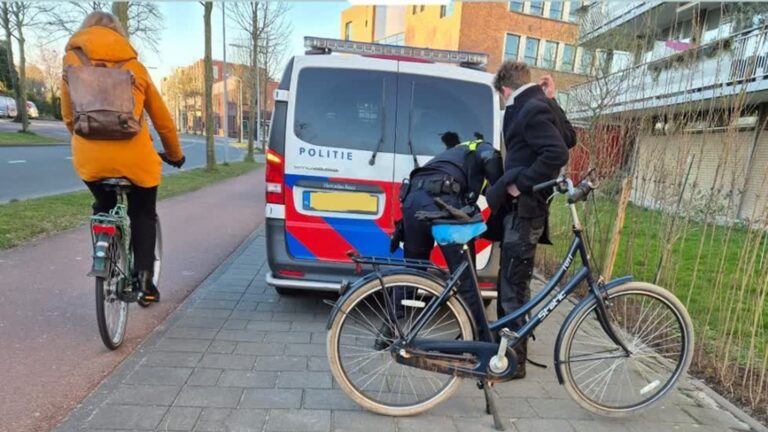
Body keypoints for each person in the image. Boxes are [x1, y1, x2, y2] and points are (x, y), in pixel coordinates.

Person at [61, 11, 185, 302]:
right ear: (119, 36)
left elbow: (68, 116)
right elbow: (163, 120)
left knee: (103, 203)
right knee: (142, 212)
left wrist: (86, 140)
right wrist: (174, 154)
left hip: (90, 159)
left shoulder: (71, 63)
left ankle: (104, 246)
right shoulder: (135, 67)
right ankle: (145, 282)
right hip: (136, 159)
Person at [377, 131, 503, 348]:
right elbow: (490, 158)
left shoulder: (451, 156)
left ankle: (387, 331)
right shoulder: (480, 146)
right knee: (465, 275)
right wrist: (500, 183)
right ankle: (482, 343)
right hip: (440, 201)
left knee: (413, 271)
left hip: (412, 202)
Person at [485, 61, 570, 379]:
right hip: (523, 212)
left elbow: (558, 152)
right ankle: (504, 348)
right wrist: (552, 100)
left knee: (513, 287)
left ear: (505, 90)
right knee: (512, 281)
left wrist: (521, 184)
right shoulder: (538, 105)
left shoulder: (525, 108)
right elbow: (568, 139)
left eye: (501, 98)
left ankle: (513, 362)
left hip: (525, 211)